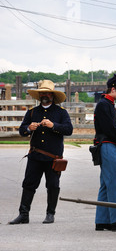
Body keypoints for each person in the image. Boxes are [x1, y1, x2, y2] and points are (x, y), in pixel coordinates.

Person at [9, 80, 73, 224]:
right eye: (42, 93)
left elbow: (69, 129)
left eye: (48, 93)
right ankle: (23, 214)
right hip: (35, 156)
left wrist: (53, 125)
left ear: (52, 95)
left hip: (53, 158)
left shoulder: (61, 113)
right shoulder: (32, 112)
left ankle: (50, 214)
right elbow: (21, 130)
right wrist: (28, 128)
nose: (45, 95)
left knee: (53, 185)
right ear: (39, 95)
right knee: (28, 185)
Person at [93, 74, 116, 231]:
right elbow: (109, 128)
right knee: (114, 182)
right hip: (107, 145)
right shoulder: (104, 105)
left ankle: (102, 221)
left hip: (109, 145)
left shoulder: (108, 104)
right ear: (113, 89)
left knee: (106, 185)